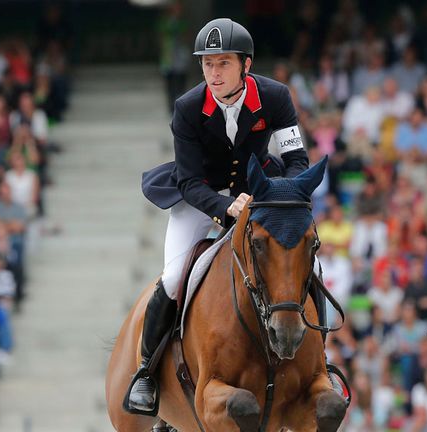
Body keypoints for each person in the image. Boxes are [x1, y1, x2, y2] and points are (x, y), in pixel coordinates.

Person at [132, 18, 317, 413]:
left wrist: (277, 201)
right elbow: (187, 182)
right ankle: (146, 373)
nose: (213, 74)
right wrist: (226, 207)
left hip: (264, 194)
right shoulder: (186, 108)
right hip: (202, 200)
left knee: (303, 265)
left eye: (223, 64)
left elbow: (296, 160)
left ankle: (321, 363)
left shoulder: (275, 97)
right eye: (207, 64)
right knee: (172, 277)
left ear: (245, 66)